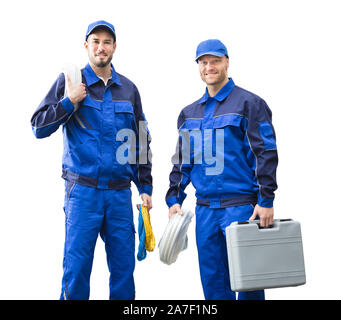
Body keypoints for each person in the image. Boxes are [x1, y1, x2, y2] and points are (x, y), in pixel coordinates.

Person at [31, 20, 153, 300]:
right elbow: (38, 127)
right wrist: (68, 102)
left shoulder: (129, 90)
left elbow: (142, 140)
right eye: (95, 41)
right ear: (86, 46)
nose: (101, 47)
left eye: (107, 42)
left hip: (120, 195)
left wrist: (145, 187)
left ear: (114, 47)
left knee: (124, 271)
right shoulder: (70, 81)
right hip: (83, 192)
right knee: (77, 271)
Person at [166, 39, 278, 300]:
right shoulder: (189, 113)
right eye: (203, 62)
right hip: (205, 211)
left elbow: (265, 154)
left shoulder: (249, 104)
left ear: (227, 62)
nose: (209, 66)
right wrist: (174, 198)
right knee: (214, 286)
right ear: (198, 67)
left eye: (215, 60)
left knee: (249, 285)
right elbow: (182, 161)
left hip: (241, 209)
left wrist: (266, 200)